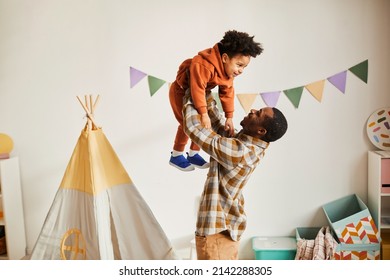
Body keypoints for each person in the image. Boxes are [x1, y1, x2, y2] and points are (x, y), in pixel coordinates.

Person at [182, 92, 288, 260]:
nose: (253, 110)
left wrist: (189, 95)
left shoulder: (241, 152)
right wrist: (203, 90)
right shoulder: (245, 143)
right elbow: (216, 125)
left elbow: (194, 129)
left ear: (261, 130)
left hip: (218, 233)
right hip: (219, 232)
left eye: (258, 113)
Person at [169, 30, 263, 171]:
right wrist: (204, 113)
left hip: (203, 93)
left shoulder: (228, 72)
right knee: (186, 124)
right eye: (239, 65)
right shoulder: (203, 65)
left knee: (206, 125)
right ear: (225, 58)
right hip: (181, 91)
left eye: (244, 67)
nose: (241, 70)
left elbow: (227, 92)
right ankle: (176, 155)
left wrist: (229, 117)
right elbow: (197, 88)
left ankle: (193, 154)